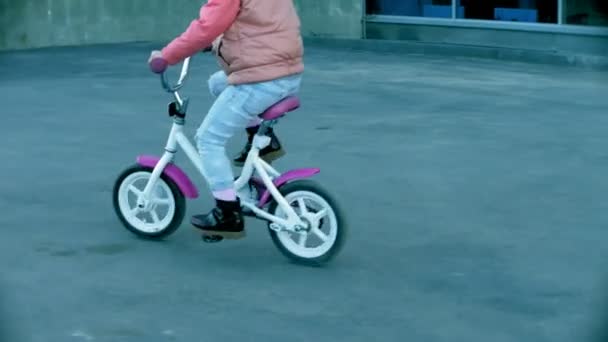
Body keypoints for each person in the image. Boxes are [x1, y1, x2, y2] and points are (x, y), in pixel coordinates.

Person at [147, 0, 304, 239]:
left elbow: (206, 27)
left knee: (209, 139)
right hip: (286, 74)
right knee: (217, 83)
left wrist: (166, 57)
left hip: (260, 81)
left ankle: (227, 212)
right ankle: (261, 140)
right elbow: (256, 25)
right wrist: (217, 43)